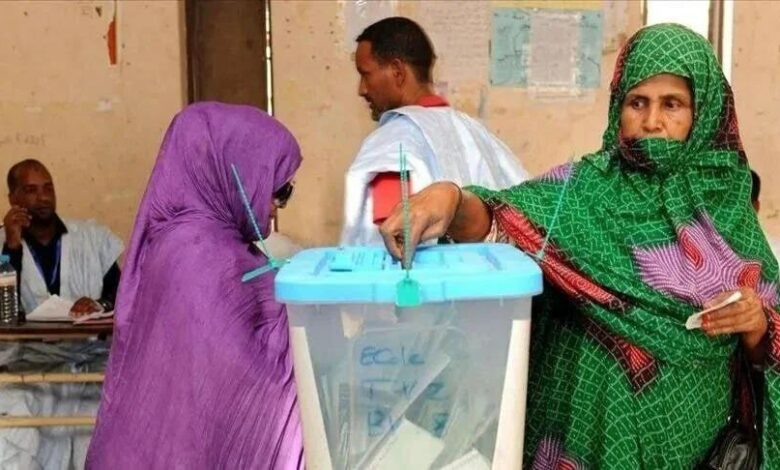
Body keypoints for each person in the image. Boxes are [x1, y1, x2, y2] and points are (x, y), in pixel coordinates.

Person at [380, 24, 780, 467]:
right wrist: (451, 198)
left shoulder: (726, 207)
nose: (652, 122)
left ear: (703, 112)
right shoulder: (583, 190)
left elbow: (766, 344)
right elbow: (503, 219)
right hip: (584, 438)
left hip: (694, 448)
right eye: (637, 102)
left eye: (672, 104)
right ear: (618, 107)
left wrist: (756, 325)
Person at [87, 102, 304, 468]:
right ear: (235, 172)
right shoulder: (200, 252)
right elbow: (237, 380)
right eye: (277, 189)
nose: (276, 204)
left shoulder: (194, 240)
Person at [341, 17, 528, 245]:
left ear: (397, 71)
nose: (361, 89)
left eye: (365, 74)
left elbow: (388, 244)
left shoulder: (392, 144)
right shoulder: (482, 137)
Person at [1, 159, 122, 316]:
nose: (43, 197)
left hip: (85, 332)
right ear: (13, 199)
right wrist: (11, 247)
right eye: (31, 190)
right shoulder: (4, 242)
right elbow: (4, 310)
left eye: (48, 188)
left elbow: (121, 294)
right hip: (27, 333)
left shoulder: (92, 237)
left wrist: (98, 305)